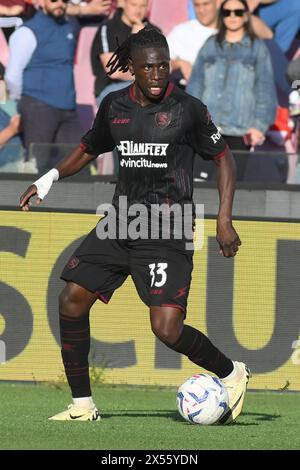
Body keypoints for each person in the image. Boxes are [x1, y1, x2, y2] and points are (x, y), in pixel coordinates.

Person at [20, 27, 250, 423]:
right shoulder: (114, 107)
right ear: (133, 69)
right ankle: (82, 405)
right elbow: (87, 148)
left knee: (166, 328)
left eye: (164, 65)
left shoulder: (188, 109)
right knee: (71, 300)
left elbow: (223, 158)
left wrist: (224, 219)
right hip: (120, 223)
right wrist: (49, 178)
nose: (159, 74)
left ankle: (232, 372)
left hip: (168, 228)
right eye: (149, 67)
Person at [187, 0, 277, 181]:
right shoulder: (210, 45)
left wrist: (259, 126)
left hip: (239, 131)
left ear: (245, 15)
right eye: (227, 12)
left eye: (237, 12)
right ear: (222, 16)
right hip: (208, 127)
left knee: (229, 187)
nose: (232, 16)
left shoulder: (257, 48)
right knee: (197, 184)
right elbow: (196, 84)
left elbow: (265, 90)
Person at [5, 0, 82, 171]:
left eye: (63, 1)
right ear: (41, 2)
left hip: (68, 108)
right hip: (37, 105)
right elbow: (12, 74)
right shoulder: (27, 31)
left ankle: (69, 199)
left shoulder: (69, 26)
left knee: (74, 166)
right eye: (54, 0)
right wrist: (23, 102)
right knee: (38, 165)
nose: (59, 4)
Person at [91, 0, 158, 105]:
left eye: (143, 6)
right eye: (133, 4)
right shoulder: (108, 28)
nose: (138, 10)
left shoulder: (154, 31)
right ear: (123, 4)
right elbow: (115, 71)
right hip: (111, 88)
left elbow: (164, 67)